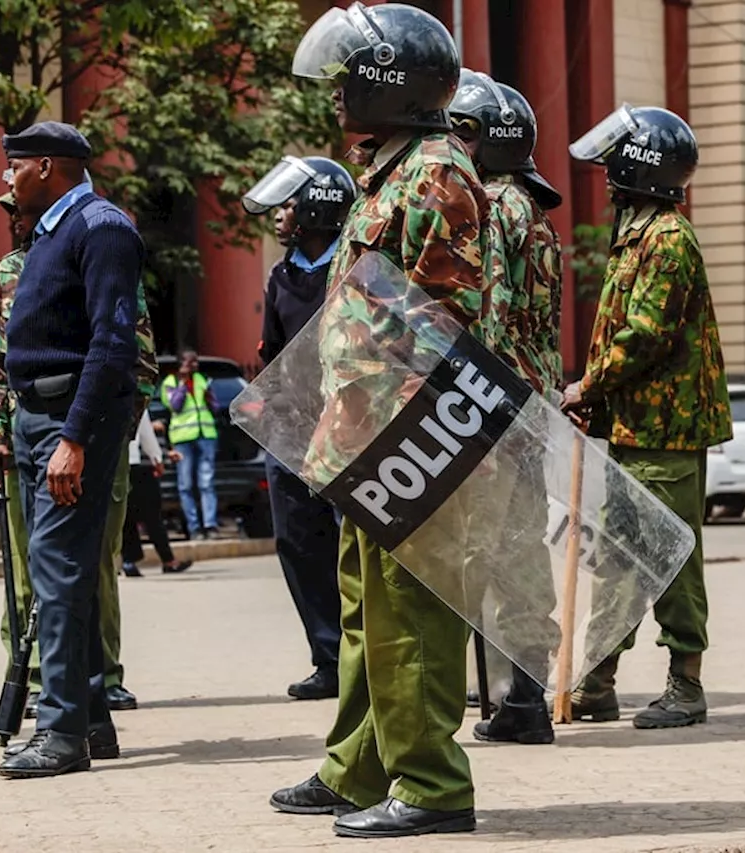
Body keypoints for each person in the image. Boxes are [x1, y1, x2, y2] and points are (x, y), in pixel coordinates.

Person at [268, 4, 489, 838]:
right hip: (362, 436)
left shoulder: (436, 171)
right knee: (367, 615)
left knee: (410, 618)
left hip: (404, 438)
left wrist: (401, 438)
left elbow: (445, 319)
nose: (336, 92)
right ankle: (362, 766)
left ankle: (432, 784)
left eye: (350, 76)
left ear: (390, 84)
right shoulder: (388, 169)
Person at [563, 104, 732, 729]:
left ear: (638, 167)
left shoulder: (665, 240)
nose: (605, 173)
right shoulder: (636, 232)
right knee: (618, 553)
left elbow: (643, 335)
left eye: (613, 163)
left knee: (669, 554)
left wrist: (587, 385)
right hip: (635, 426)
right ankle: (599, 681)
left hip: (667, 430)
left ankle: (686, 685)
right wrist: (600, 400)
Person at [0, 121, 142, 778]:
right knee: (59, 571)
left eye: (14, 165)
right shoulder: (54, 230)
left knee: (58, 576)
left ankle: (59, 731)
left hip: (67, 419)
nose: (6, 177)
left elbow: (111, 343)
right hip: (37, 415)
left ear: (46, 167)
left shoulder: (101, 226)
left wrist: (74, 437)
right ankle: (91, 720)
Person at [448, 69, 563, 745]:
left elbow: (487, 318)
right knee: (523, 552)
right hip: (533, 403)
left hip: (497, 407)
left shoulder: (493, 207)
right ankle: (525, 695)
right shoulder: (534, 210)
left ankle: (513, 695)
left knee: (482, 551)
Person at [243, 154, 355, 701]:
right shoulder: (281, 274)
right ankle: (328, 657)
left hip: (347, 428)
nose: (281, 216)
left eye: (289, 204)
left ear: (318, 208)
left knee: (351, 546)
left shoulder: (354, 267)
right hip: (291, 430)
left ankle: (362, 659)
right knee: (298, 541)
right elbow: (270, 351)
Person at [120, 409, 190, 577]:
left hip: (110, 464)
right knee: (152, 514)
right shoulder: (132, 390)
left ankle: (129, 561)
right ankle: (168, 560)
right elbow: (144, 429)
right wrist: (157, 458)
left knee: (124, 515)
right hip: (133, 462)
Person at [160, 350, 219, 539]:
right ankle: (194, 528)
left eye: (196, 361)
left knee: (207, 482)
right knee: (185, 484)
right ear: (181, 363)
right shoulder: (170, 382)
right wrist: (183, 384)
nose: (195, 364)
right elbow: (175, 405)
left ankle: (210, 525)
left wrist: (210, 398)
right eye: (190, 361)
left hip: (206, 434)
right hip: (182, 437)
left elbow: (215, 407)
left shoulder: (202, 379)